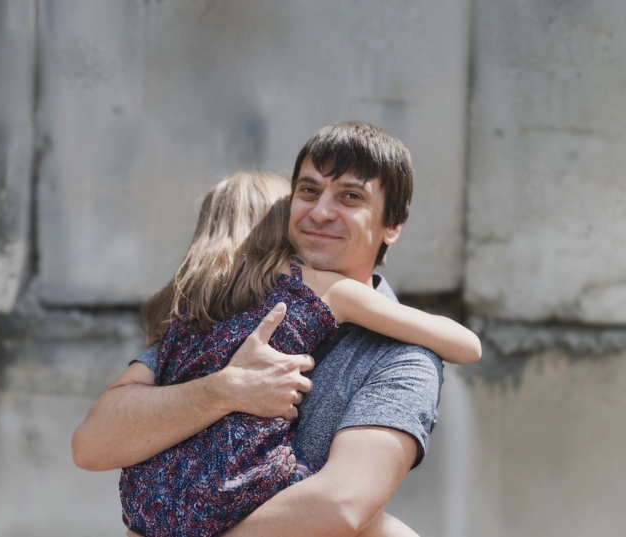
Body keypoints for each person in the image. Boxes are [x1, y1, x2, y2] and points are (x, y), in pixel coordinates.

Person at [73, 122, 468, 536]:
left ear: (393, 224)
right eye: (309, 191)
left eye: (351, 197)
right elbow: (92, 443)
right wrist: (224, 388)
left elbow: (341, 504)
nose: (320, 212)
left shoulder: (402, 358)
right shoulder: (227, 309)